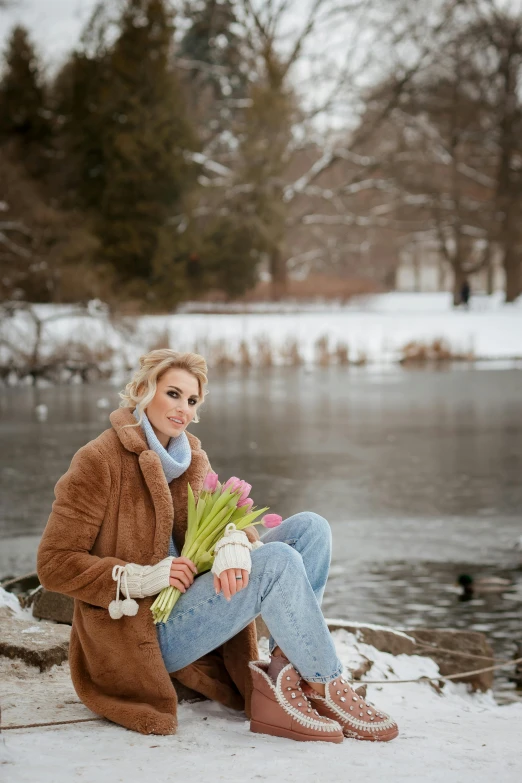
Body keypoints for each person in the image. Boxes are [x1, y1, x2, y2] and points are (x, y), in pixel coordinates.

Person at [37, 349, 398, 743]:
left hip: (193, 603)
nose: (183, 409)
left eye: (192, 401)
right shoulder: (99, 460)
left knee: (311, 529)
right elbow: (54, 564)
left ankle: (285, 679)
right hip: (138, 634)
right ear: (143, 390)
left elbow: (227, 520)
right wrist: (142, 578)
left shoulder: (190, 457)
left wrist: (232, 542)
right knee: (276, 562)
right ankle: (327, 684)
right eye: (173, 394)